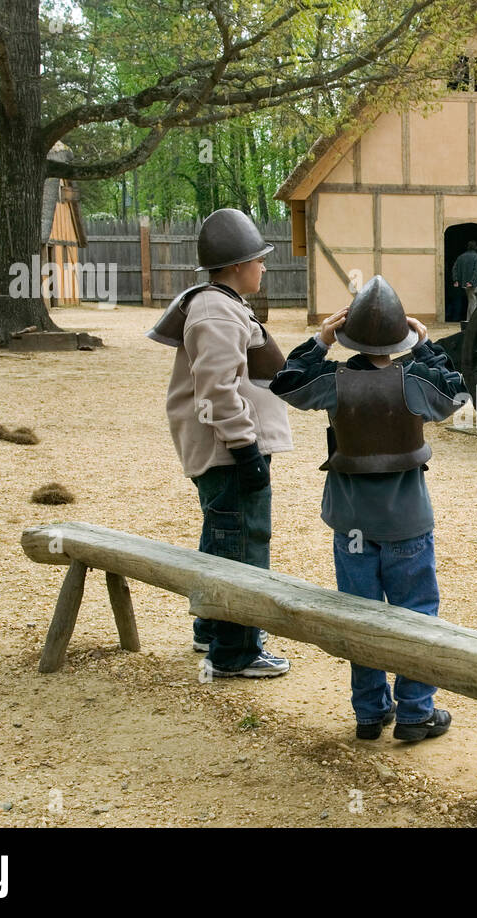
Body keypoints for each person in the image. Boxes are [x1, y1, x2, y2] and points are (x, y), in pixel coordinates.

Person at [270, 275, 467, 741]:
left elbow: (285, 383)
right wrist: (425, 347)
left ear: (346, 332)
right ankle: (416, 712)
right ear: (403, 333)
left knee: (359, 616)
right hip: (407, 523)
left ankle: (368, 712)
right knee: (416, 615)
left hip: (352, 523)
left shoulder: (331, 381)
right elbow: (457, 392)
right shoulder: (416, 380)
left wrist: (319, 343)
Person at [146, 207, 292, 678]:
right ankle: (235, 652)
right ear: (236, 266)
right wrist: (245, 447)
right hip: (228, 453)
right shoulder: (216, 310)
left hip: (225, 450)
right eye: (258, 260)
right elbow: (216, 387)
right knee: (242, 545)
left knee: (221, 535)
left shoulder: (220, 305)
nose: (264, 267)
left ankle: (212, 626)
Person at [451, 240, 477, 321]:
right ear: (476, 248)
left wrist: (456, 280)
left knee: (471, 301)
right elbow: (476, 271)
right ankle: (472, 321)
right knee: (473, 301)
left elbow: (454, 268)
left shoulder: (461, 257)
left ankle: (469, 320)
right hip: (473, 284)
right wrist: (472, 282)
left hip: (464, 283)